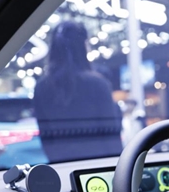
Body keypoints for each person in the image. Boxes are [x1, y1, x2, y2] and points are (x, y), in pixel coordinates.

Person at [33, 21, 122, 163]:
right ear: (83, 46)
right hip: (99, 165)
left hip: (61, 165)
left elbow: (45, 137)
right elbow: (111, 136)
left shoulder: (42, 87)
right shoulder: (98, 84)